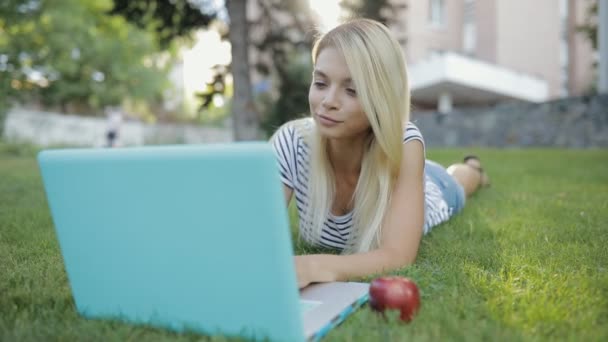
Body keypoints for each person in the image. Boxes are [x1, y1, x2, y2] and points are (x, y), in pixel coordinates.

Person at [270, 18, 490, 289]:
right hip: (404, 173)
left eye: (352, 90)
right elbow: (254, 229)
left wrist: (313, 265)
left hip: (430, 187)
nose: (328, 101)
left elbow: (397, 256)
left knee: (459, 180)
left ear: (382, 99)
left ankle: (475, 167)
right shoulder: (291, 141)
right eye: (321, 83)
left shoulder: (405, 144)